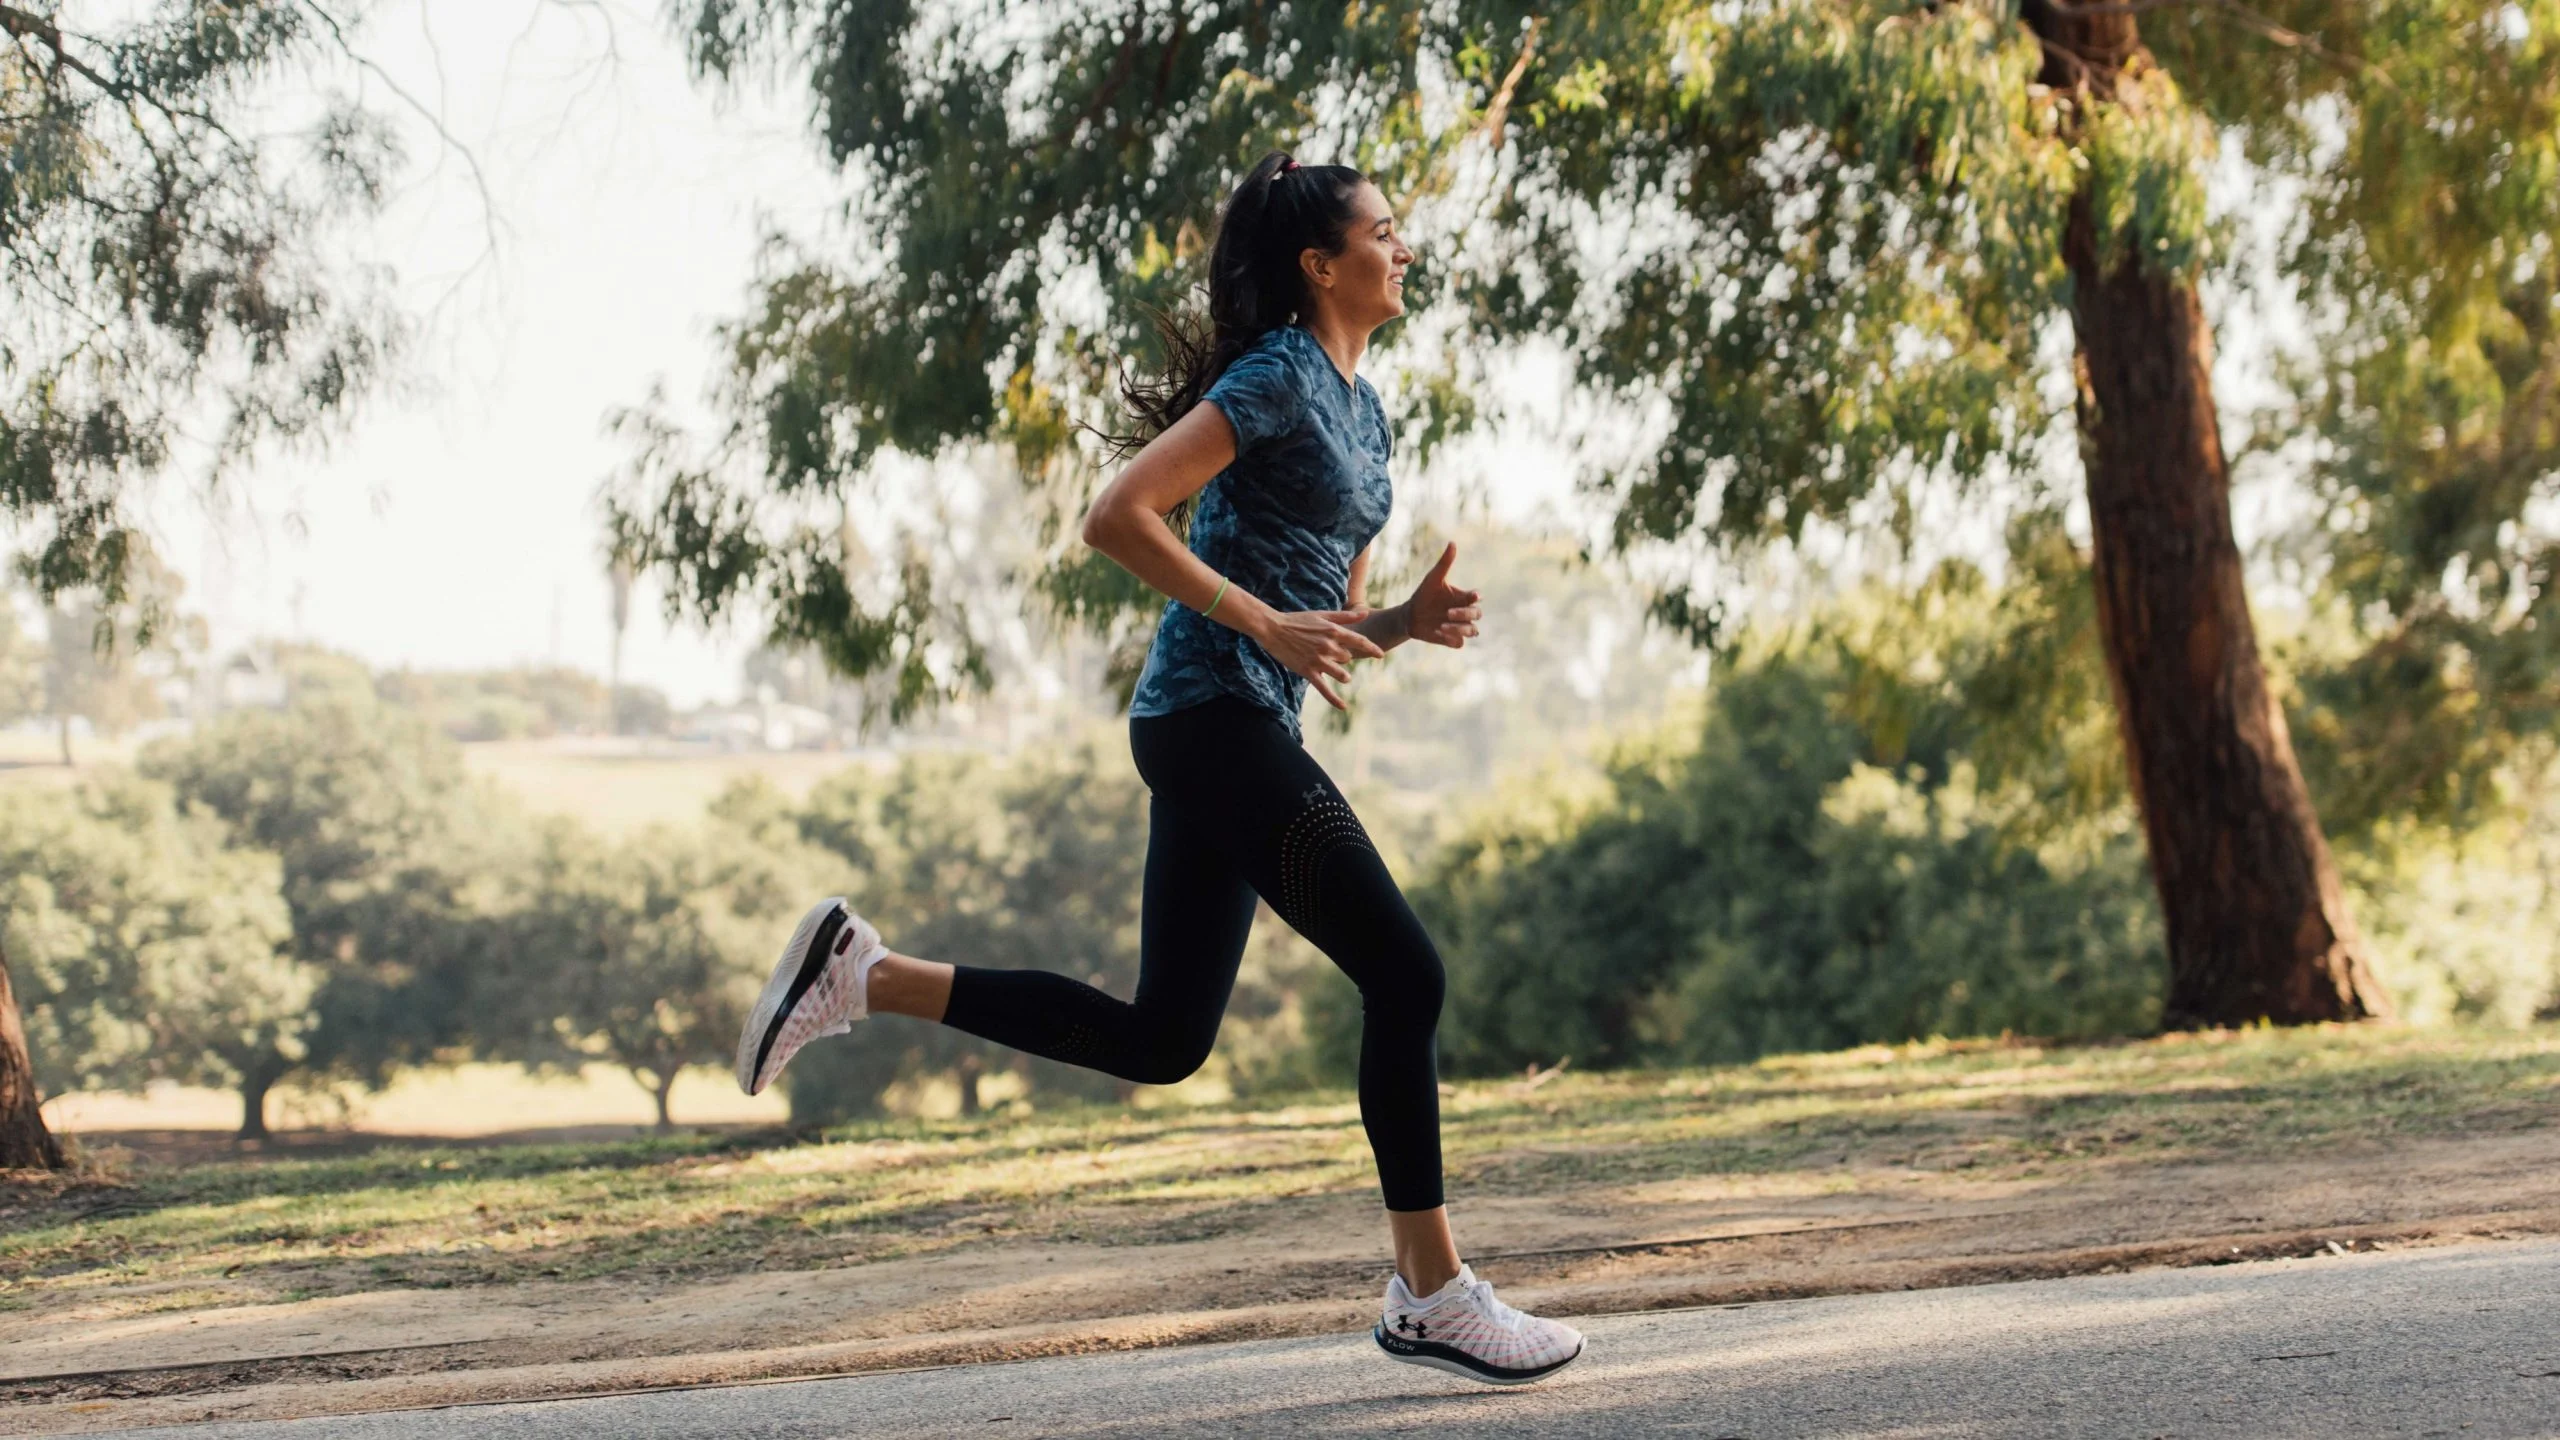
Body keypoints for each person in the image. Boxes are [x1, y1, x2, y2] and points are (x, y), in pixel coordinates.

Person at [734, 151, 1585, 1386]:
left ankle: (864, 972)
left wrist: (1401, 621)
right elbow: (1118, 513)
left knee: (1163, 1039)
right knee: (1405, 975)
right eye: (1383, 232)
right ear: (1319, 262)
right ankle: (1432, 1291)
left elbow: (1321, 616)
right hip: (1209, 714)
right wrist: (1257, 624)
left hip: (1242, 722)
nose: (1403, 250)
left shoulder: (1366, 404)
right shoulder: (1282, 372)